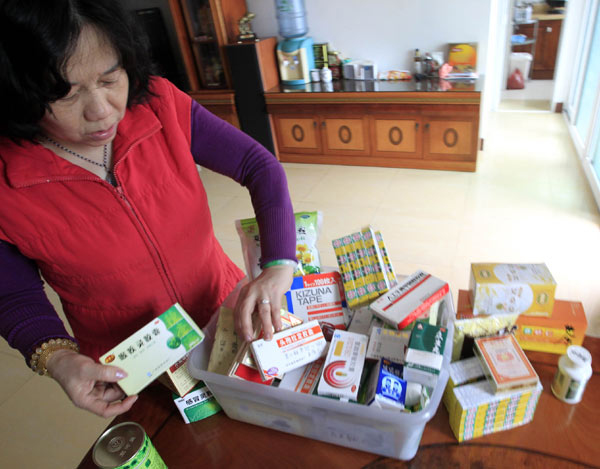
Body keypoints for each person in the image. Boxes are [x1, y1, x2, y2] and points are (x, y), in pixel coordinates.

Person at [0, 0, 297, 418]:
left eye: (110, 78)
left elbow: (258, 166)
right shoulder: (5, 181)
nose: (101, 111)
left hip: (227, 314)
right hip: (135, 365)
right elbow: (12, 294)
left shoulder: (158, 103)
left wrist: (279, 263)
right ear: (20, 91)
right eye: (65, 94)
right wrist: (60, 359)